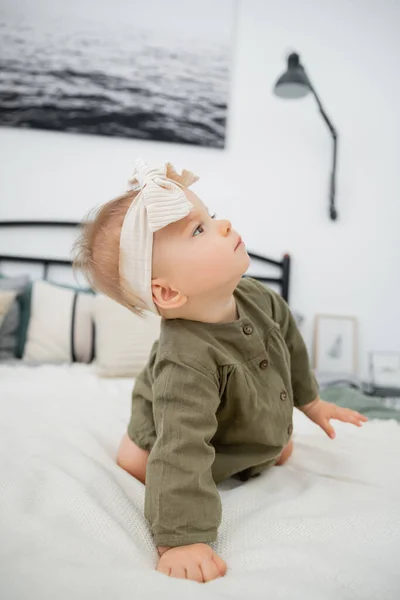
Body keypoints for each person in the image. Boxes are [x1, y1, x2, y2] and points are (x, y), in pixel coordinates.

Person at [72, 159, 367, 584]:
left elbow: (291, 347)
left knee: (272, 447)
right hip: (168, 418)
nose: (224, 224)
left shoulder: (258, 297)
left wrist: (310, 401)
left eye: (209, 217)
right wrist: (183, 539)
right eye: (199, 230)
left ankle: (254, 445)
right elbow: (181, 447)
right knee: (140, 459)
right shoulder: (184, 361)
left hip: (237, 413)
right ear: (168, 292)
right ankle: (138, 447)